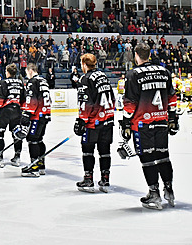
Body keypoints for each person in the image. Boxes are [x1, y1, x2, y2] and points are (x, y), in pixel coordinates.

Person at [121, 43, 178, 210]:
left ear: (136, 55)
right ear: (150, 54)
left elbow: (130, 105)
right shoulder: (164, 71)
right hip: (161, 120)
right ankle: (169, 190)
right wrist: (173, 119)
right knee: (163, 156)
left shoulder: (133, 74)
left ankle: (154, 193)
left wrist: (125, 123)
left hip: (142, 123)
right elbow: (172, 98)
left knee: (147, 159)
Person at [74, 53, 115, 193]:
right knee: (104, 150)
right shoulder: (103, 76)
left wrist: (81, 120)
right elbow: (113, 98)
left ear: (84, 64)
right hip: (107, 119)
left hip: (93, 122)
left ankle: (88, 179)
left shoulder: (85, 79)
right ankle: (105, 178)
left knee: (87, 150)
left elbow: (85, 102)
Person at [0, 64, 25, 167]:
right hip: (17, 110)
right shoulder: (20, 82)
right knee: (16, 134)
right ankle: (17, 157)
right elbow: (24, 99)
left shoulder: (3, 82)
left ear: (8, 72)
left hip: (6, 111)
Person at [20, 63, 51, 177]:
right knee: (39, 139)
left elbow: (32, 99)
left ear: (31, 71)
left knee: (32, 139)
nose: (27, 75)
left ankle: (34, 167)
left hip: (37, 115)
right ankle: (41, 164)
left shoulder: (33, 82)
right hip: (45, 114)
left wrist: (27, 113)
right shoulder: (43, 81)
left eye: (27, 72)